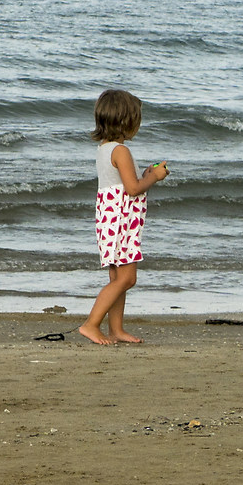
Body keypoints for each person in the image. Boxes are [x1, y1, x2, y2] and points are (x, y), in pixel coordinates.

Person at [78, 88, 166, 346]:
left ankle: (116, 329)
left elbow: (124, 183)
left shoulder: (105, 149)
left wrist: (145, 175)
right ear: (126, 121)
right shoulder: (121, 151)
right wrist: (154, 177)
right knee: (127, 278)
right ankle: (91, 324)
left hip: (110, 219)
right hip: (121, 221)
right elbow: (133, 189)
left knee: (118, 278)